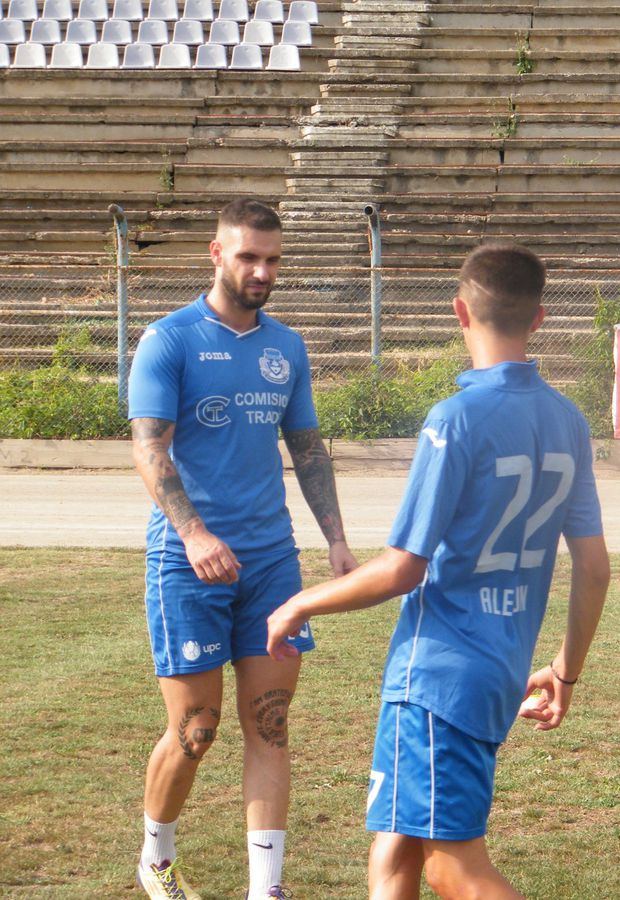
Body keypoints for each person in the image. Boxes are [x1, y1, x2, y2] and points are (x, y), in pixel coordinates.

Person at [265, 242, 611, 899]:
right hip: (499, 670)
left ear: (459, 311)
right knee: (396, 845)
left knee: (455, 867)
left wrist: (302, 603)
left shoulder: (454, 420)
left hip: (439, 674)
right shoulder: (569, 422)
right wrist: (565, 670)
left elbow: (401, 570)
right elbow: (593, 567)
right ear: (539, 318)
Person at [127, 198, 358, 898]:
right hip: (187, 564)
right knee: (197, 730)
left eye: (272, 259)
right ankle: (156, 859)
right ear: (216, 254)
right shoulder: (169, 340)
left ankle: (268, 888)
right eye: (249, 256)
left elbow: (308, 450)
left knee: (272, 724)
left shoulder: (286, 347)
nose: (262, 270)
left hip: (272, 566)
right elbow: (148, 448)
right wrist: (195, 534)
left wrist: (339, 542)